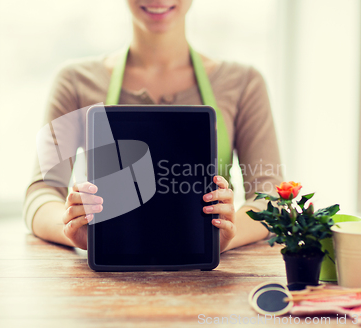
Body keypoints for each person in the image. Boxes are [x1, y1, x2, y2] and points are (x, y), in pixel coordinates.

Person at [23, 0, 283, 253]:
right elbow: (42, 193)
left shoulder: (243, 83)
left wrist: (222, 238)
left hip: (208, 279)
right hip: (111, 276)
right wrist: (78, 232)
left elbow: (271, 199)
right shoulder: (75, 82)